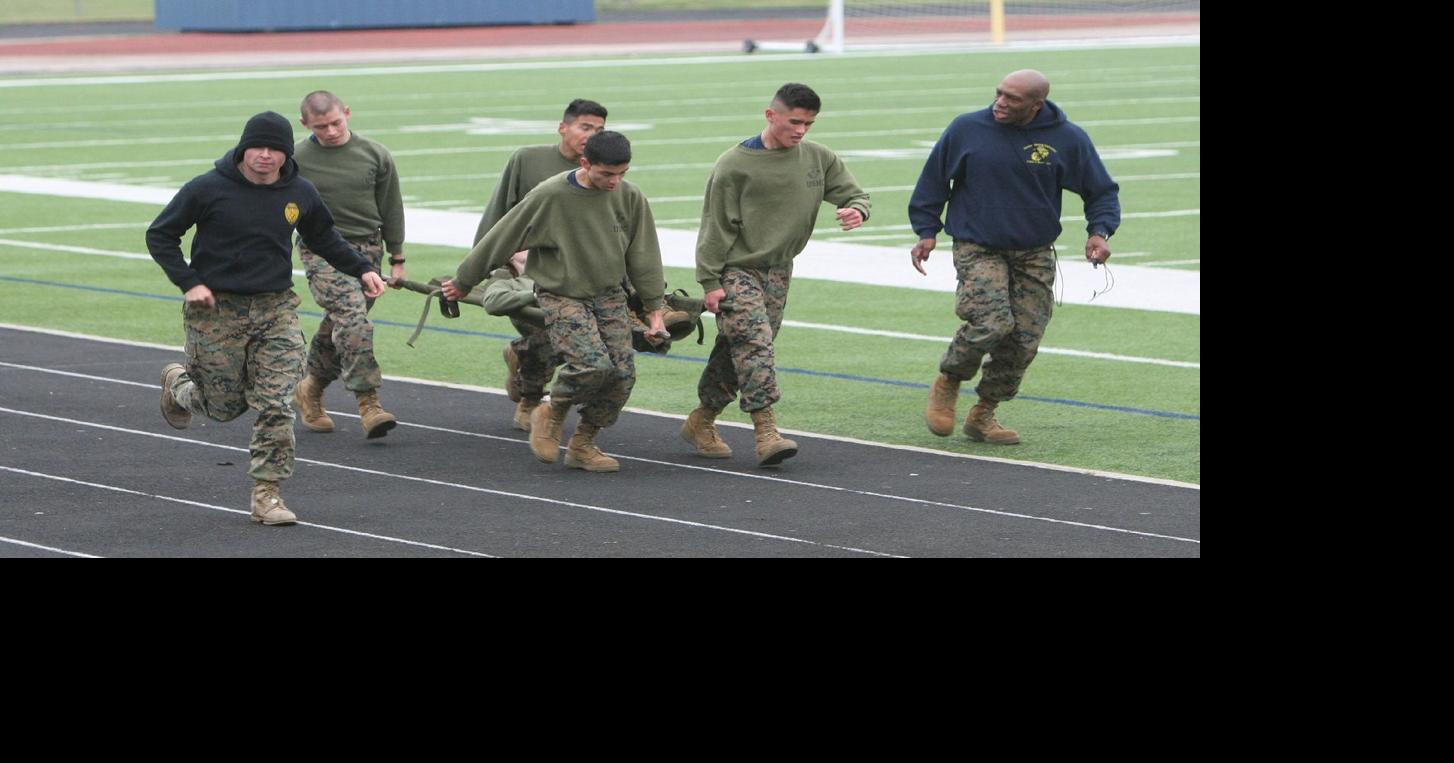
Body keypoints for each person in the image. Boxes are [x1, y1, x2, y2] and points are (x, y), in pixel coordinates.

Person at [149, 111, 385, 525]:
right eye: (257, 147)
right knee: (222, 407)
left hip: (276, 309)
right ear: (244, 149)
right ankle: (178, 384)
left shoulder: (300, 192)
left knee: (276, 403)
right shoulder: (207, 189)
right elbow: (161, 235)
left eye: (275, 149)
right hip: (216, 310)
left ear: (286, 154)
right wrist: (189, 282)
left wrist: (362, 268)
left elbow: (324, 236)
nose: (265, 156)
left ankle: (267, 495)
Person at [909, 69, 1121, 445]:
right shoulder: (966, 129)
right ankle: (950, 380)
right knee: (991, 322)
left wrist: (1099, 231)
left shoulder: (1067, 139)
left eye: (1012, 99)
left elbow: (1101, 191)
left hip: (1034, 251)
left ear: (1036, 105)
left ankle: (984, 412)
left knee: (1025, 337)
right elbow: (934, 181)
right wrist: (926, 231)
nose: (1000, 103)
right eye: (999, 93)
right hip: (978, 245)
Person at [444, 131, 666, 473]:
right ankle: (551, 412)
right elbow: (502, 237)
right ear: (584, 163)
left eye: (621, 173)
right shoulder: (551, 195)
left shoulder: (631, 197)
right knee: (592, 364)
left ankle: (583, 443)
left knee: (622, 374)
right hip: (562, 293)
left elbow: (644, 256)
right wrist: (463, 281)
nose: (614, 182)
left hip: (609, 295)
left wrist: (655, 312)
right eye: (606, 174)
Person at [681, 82, 870, 467]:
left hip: (780, 270)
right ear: (771, 116)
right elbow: (714, 227)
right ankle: (766, 431)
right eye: (794, 121)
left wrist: (857, 210)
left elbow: (854, 193)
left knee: (739, 349)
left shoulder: (818, 158)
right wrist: (710, 283)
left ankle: (702, 419)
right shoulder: (734, 165)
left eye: (809, 124)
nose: (800, 130)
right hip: (737, 269)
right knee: (754, 344)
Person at [475, 99, 608, 432]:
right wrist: (482, 267)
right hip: (521, 271)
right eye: (585, 127)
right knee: (549, 329)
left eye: (599, 130)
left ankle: (521, 357)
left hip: (575, 274)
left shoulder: (602, 172)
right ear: (563, 127)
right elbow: (498, 214)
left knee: (585, 336)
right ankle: (531, 398)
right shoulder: (527, 159)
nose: (591, 136)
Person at [291, 90, 407, 440]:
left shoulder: (374, 154)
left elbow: (391, 207)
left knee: (339, 324)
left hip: (368, 250)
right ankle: (368, 402)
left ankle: (310, 387)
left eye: (336, 123)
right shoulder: (295, 159)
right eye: (321, 126)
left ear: (348, 114)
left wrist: (397, 256)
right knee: (353, 317)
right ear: (305, 124)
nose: (330, 131)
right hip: (322, 249)